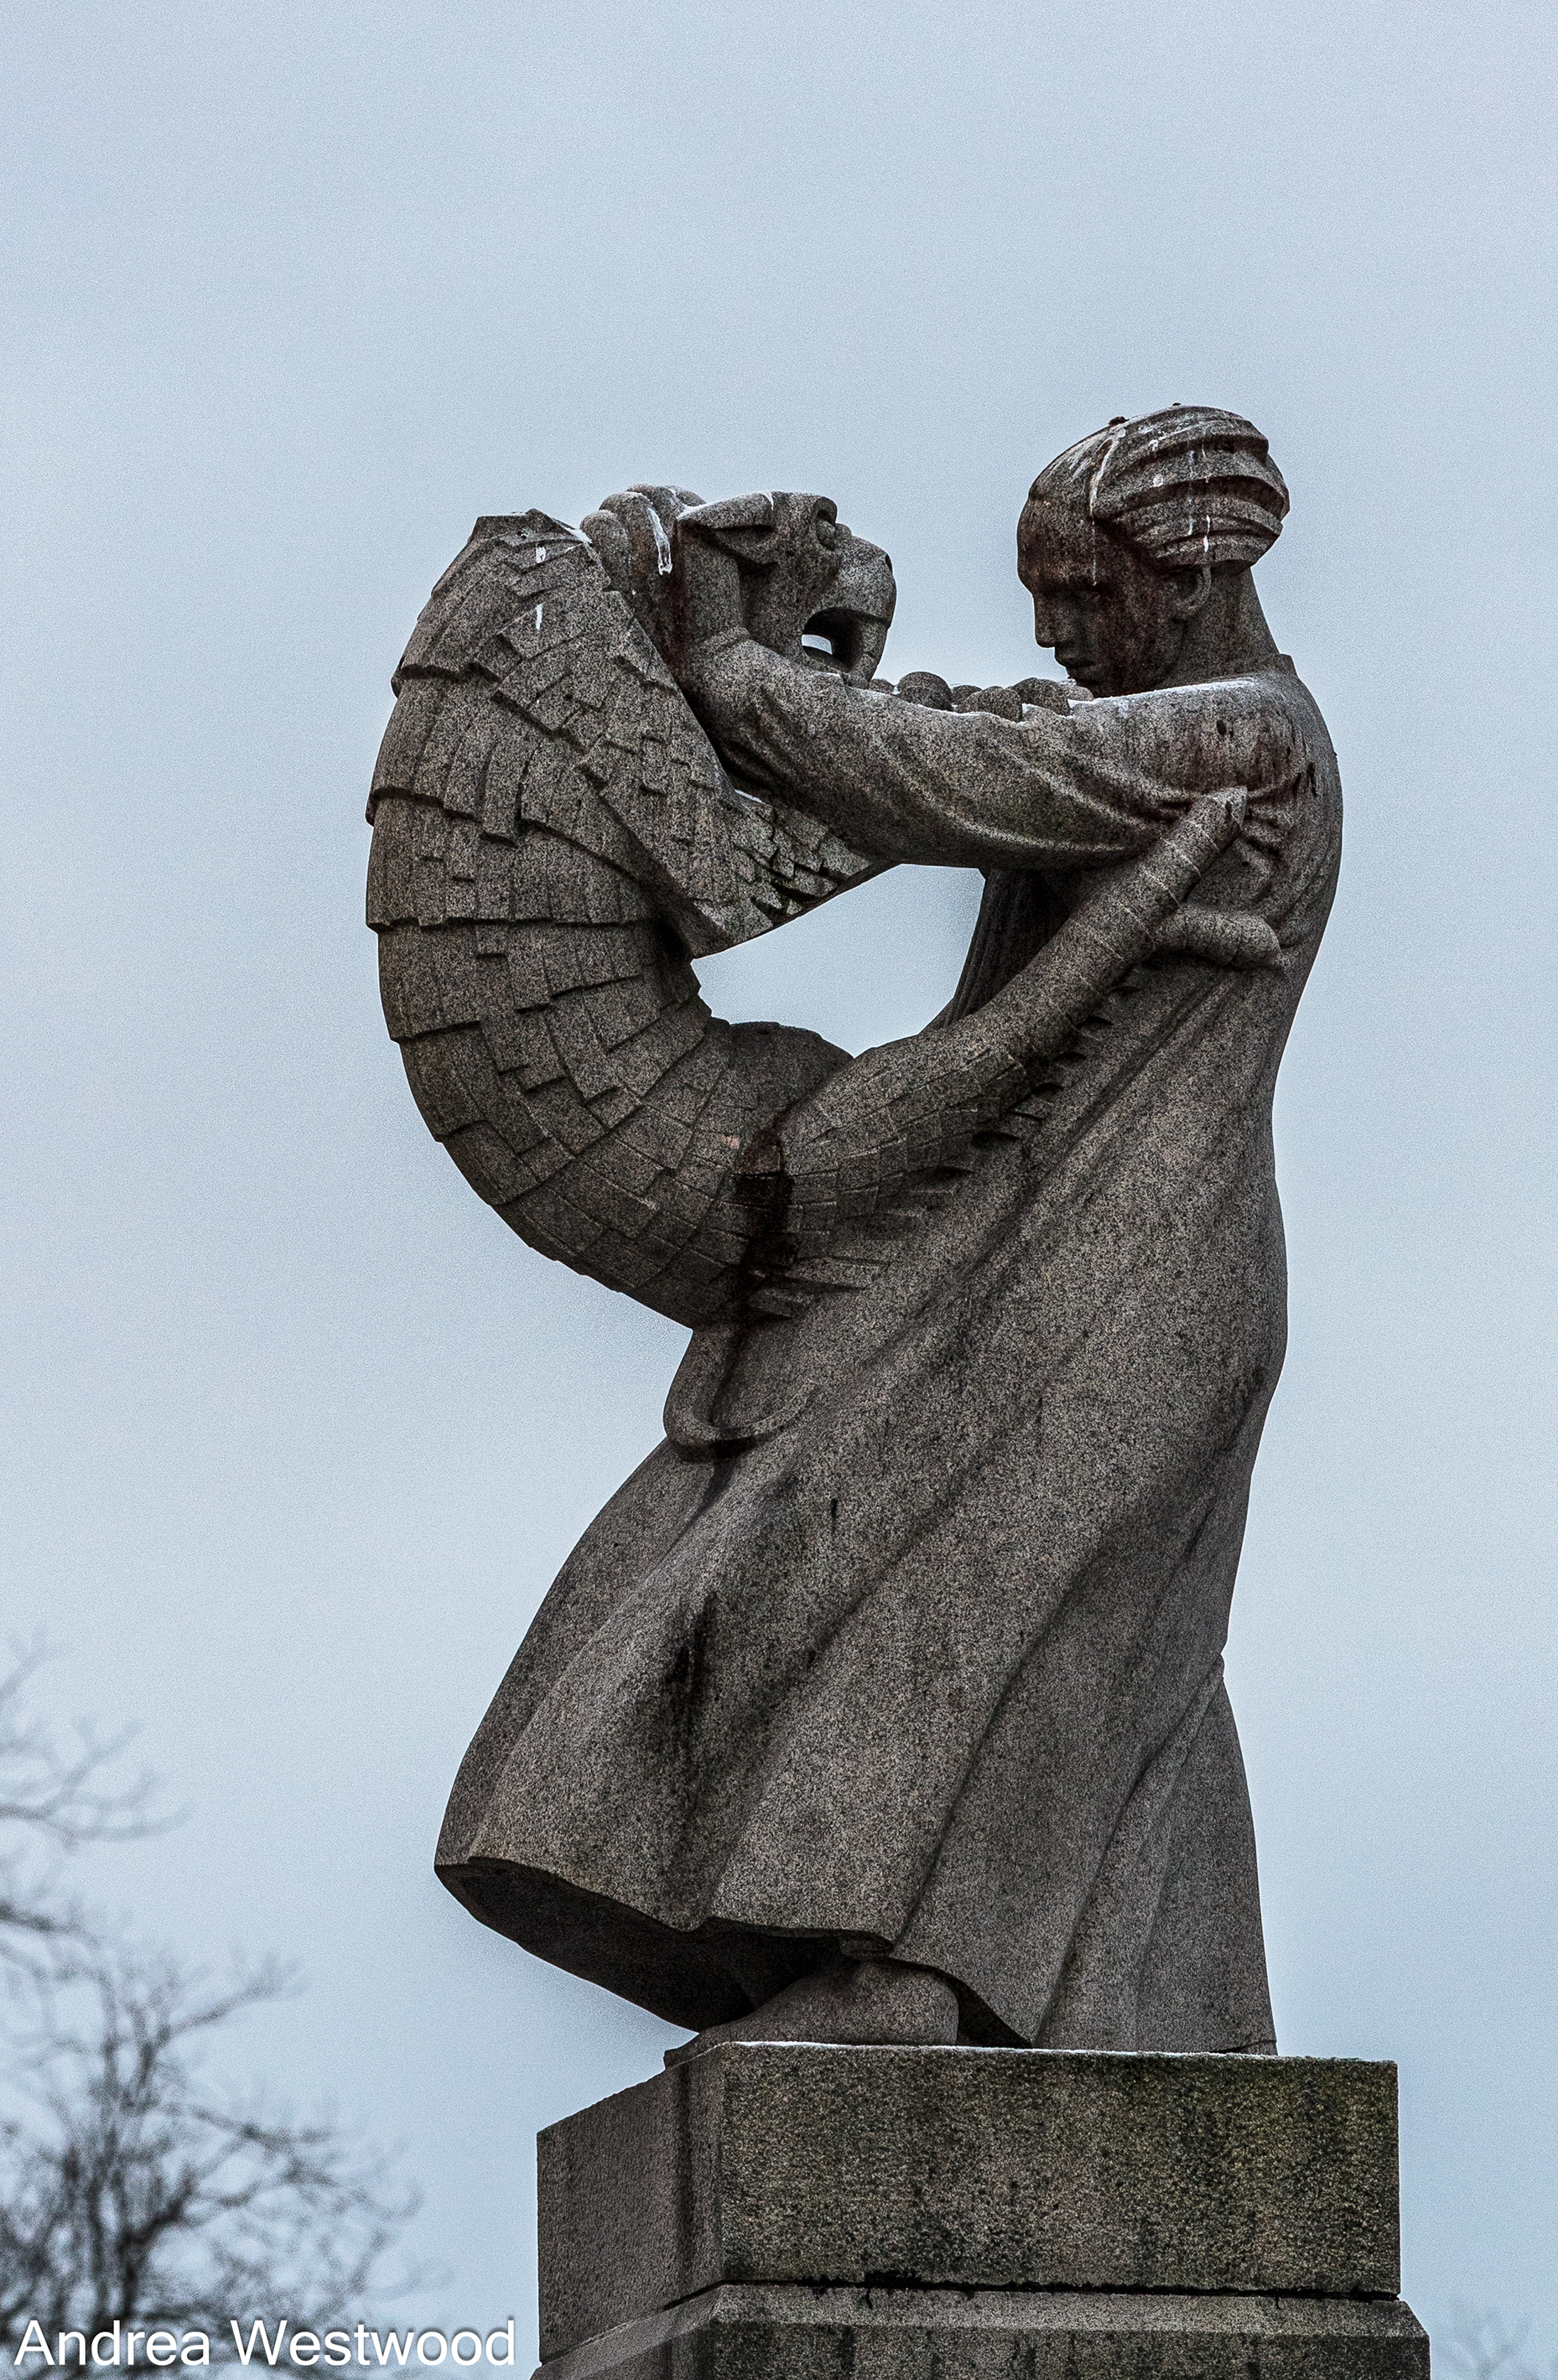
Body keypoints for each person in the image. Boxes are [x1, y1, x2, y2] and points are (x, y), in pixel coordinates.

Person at [436, 406, 1339, 2057]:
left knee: (989, 1597)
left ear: (1198, 567)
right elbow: (967, 742)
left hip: (1140, 1260)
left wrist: (730, 672)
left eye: (1084, 592)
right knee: (1101, 1631)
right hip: (1029, 1244)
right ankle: (1177, 2030)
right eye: (1042, 594)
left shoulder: (1249, 741)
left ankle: (901, 1977)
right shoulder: (1143, 733)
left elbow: (955, 777)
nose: (1056, 630)